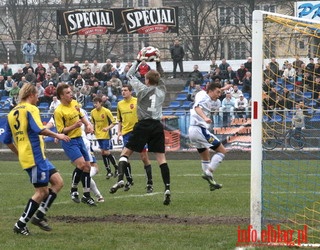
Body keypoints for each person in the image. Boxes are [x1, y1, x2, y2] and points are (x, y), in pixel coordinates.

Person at [2, 83, 70, 235]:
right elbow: (39, 129)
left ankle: (39, 216)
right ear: (31, 95)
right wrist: (57, 135)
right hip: (35, 157)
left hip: (36, 157)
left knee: (58, 182)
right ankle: (20, 224)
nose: (38, 98)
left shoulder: (12, 113)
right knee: (41, 192)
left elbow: (6, 139)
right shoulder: (31, 109)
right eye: (37, 95)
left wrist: (19, 153)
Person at [109, 54, 171, 205]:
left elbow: (129, 74)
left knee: (126, 153)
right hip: (157, 125)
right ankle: (167, 188)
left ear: (147, 80)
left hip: (143, 125)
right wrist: (158, 62)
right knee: (161, 158)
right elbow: (160, 76)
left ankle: (121, 179)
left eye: (145, 78)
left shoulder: (142, 89)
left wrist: (138, 61)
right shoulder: (162, 90)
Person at [54, 83, 96, 206]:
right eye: (67, 93)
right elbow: (60, 131)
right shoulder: (59, 111)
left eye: (70, 91)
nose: (70, 94)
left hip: (79, 139)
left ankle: (86, 195)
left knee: (87, 167)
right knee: (82, 164)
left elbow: (81, 116)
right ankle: (73, 190)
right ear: (61, 96)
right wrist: (74, 126)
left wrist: (88, 124)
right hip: (69, 141)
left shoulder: (74, 103)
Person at [188, 82, 227, 191]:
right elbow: (197, 107)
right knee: (222, 151)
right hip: (200, 129)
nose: (219, 94)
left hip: (192, 130)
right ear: (210, 91)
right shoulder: (205, 99)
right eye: (217, 92)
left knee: (205, 156)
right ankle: (208, 173)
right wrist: (205, 118)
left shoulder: (202, 93)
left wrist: (224, 88)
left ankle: (211, 182)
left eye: (220, 92)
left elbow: (213, 90)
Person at [116, 84, 153, 193]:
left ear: (130, 92)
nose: (123, 92)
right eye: (122, 90)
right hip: (127, 134)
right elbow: (120, 120)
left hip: (139, 132)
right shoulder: (119, 104)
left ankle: (150, 183)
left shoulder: (137, 101)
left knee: (144, 157)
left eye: (125, 90)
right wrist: (119, 131)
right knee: (124, 158)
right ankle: (129, 179)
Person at [90, 96, 118, 179]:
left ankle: (116, 167)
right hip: (98, 135)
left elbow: (114, 122)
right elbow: (93, 123)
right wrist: (92, 129)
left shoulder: (106, 111)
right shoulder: (92, 112)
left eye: (96, 103)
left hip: (106, 134)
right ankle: (109, 171)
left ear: (101, 103)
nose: (95, 105)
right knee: (103, 152)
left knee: (106, 152)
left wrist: (107, 128)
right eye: (94, 103)